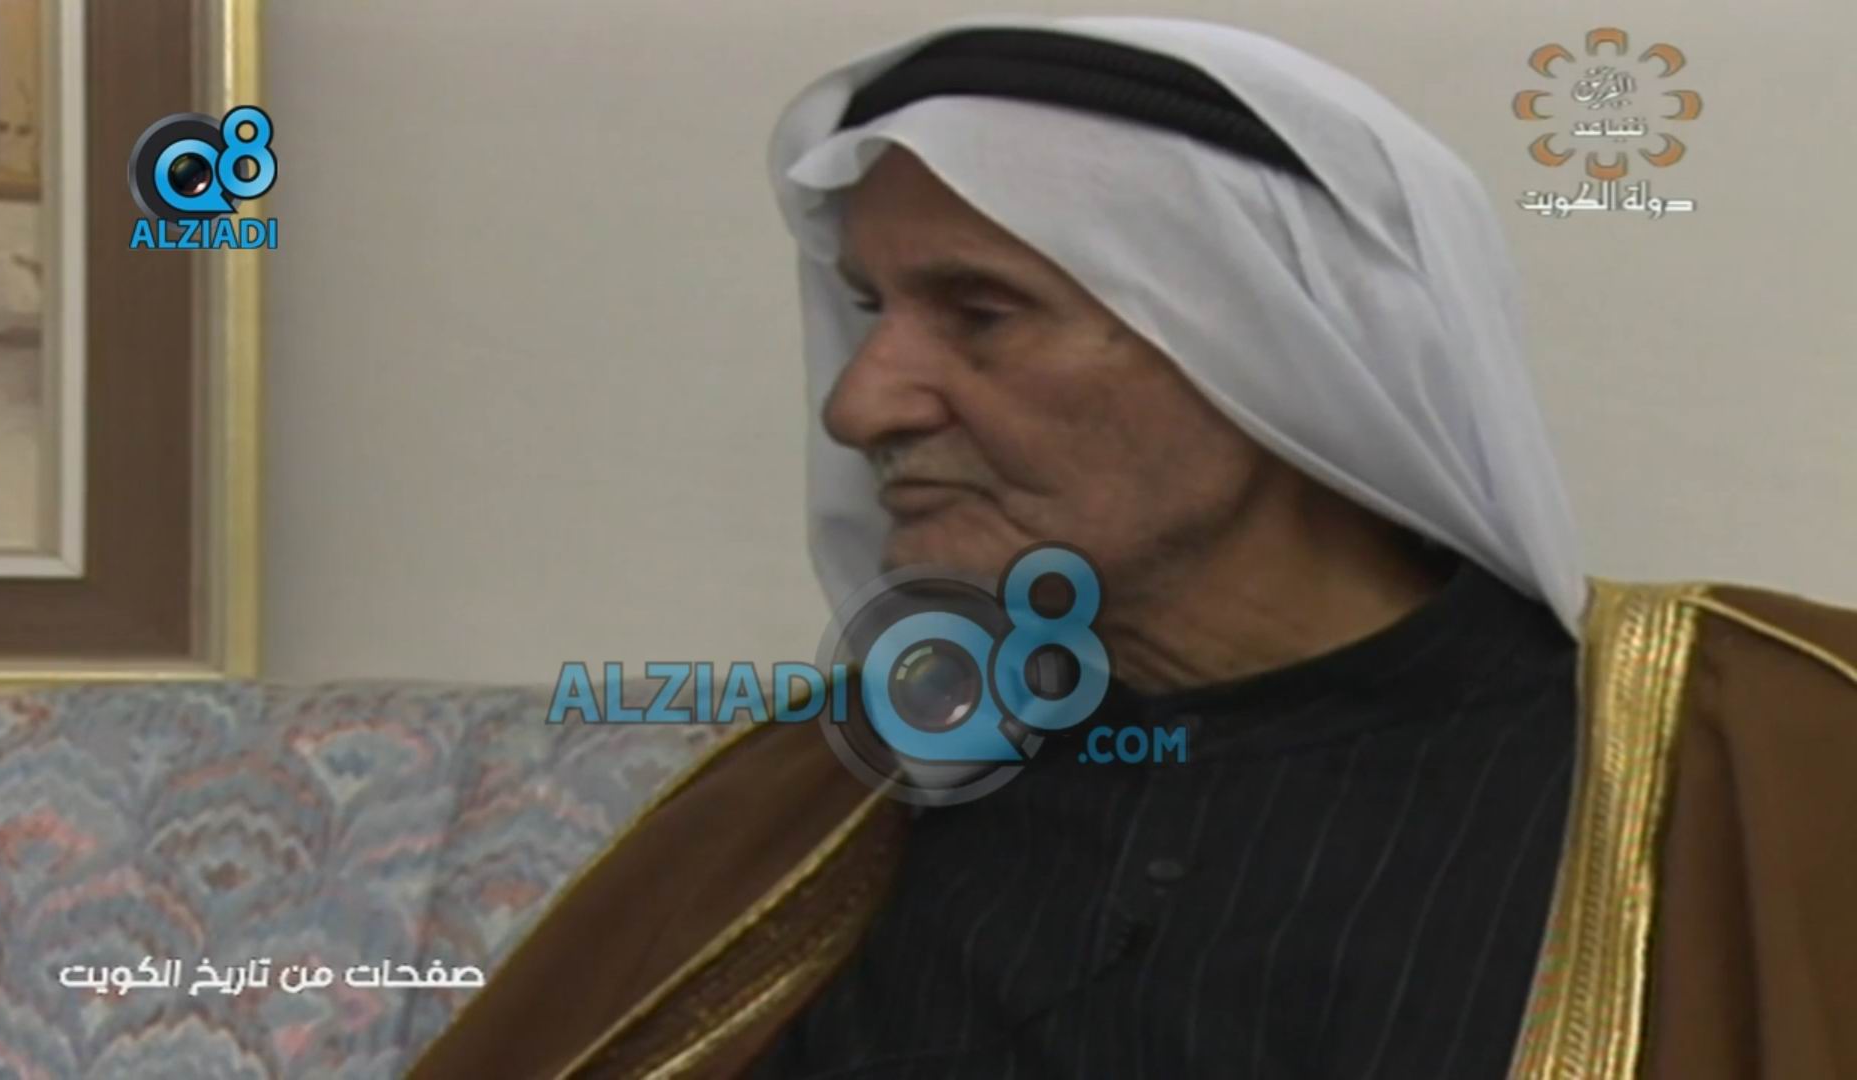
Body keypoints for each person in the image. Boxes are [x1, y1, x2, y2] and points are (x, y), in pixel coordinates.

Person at [406, 16, 1857, 1080]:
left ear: (1279, 350)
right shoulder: (811, 804)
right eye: (868, 313)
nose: (860, 406)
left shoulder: (1783, 746)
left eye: (980, 313)